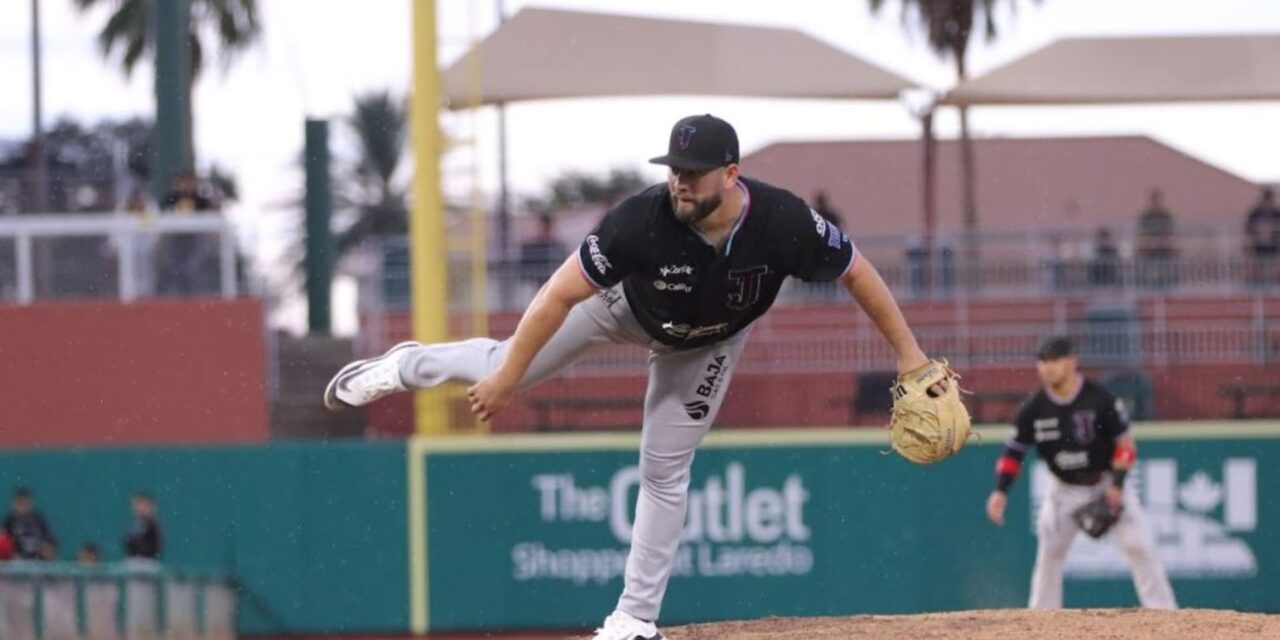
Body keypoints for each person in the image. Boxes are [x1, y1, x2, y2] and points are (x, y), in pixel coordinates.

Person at [323, 114, 942, 640]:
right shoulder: (639, 221)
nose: (679, 180)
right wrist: (512, 377)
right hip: (618, 310)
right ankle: (403, 365)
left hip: (707, 344)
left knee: (664, 469)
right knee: (498, 361)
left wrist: (910, 356)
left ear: (731, 174)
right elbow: (556, 296)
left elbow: (857, 271)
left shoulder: (783, 221)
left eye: (693, 171)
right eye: (673, 168)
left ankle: (634, 621)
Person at [984, 337, 1176, 610]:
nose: (1048, 368)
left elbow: (1125, 446)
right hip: (1064, 490)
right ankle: (1041, 623)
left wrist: (1117, 487)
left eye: (1054, 360)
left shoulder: (1099, 399)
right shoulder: (1033, 408)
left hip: (1105, 483)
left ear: (1072, 362)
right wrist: (1001, 490)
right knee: (1049, 555)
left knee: (1140, 547)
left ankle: (1166, 616)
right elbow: (1013, 453)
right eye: (1043, 361)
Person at [1135, 189, 1176, 287]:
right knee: (1143, 259)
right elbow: (1142, 230)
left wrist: (1164, 240)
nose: (1156, 202)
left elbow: (1170, 230)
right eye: (1154, 199)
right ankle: (1144, 282)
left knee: (1167, 262)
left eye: (1157, 199)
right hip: (1149, 245)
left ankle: (1169, 281)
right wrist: (1148, 241)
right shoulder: (1146, 215)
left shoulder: (1165, 215)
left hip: (1163, 245)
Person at [518, 213, 570, 291]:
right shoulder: (530, 247)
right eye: (543, 227)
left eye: (547, 227)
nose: (544, 230)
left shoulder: (558, 247)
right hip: (535, 284)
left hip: (553, 284)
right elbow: (525, 269)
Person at [2, 487, 56, 560]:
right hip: (16, 560)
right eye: (20, 503)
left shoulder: (38, 520)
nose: (23, 507)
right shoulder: (10, 521)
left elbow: (48, 539)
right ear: (14, 504)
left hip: (38, 560)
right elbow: (5, 542)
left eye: (26, 503)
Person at [1245, 187, 1280, 285]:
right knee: (1260, 266)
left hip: (1273, 246)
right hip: (1259, 246)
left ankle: (1272, 283)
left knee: (1272, 266)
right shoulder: (1256, 213)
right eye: (1267, 199)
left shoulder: (1276, 213)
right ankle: (1260, 283)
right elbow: (1248, 227)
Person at [122, 492, 163, 560]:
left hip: (148, 563)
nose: (139, 508)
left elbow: (154, 547)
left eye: (144, 505)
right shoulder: (137, 525)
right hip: (133, 562)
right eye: (137, 505)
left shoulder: (151, 525)